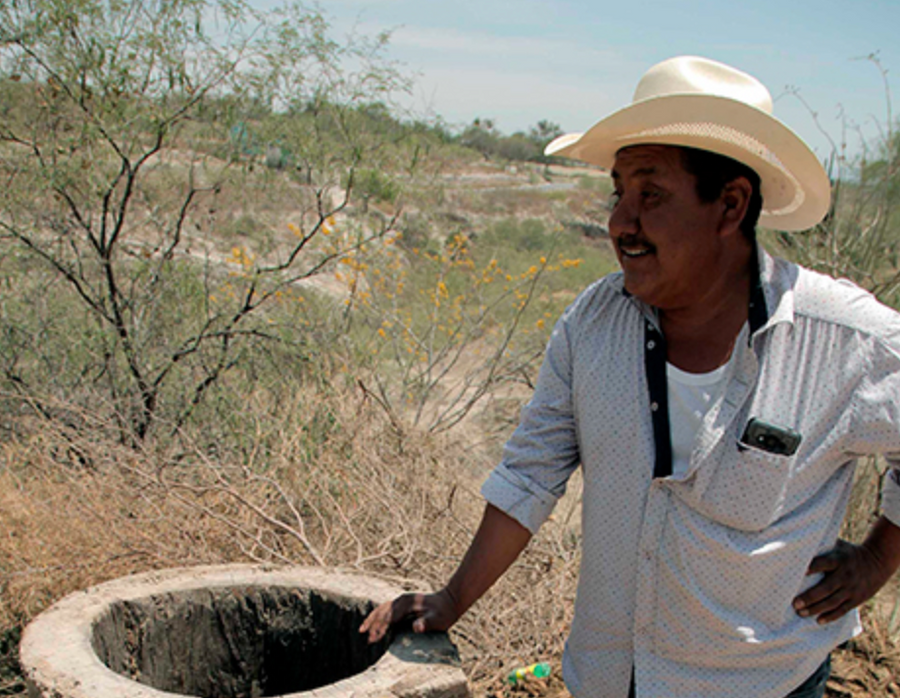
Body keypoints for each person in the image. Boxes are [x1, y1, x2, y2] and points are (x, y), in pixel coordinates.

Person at [359, 56, 900, 698]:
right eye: (619, 192)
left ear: (730, 205)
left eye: (651, 194)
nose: (620, 222)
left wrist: (875, 561)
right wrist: (449, 601)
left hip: (764, 685)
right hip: (611, 680)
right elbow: (531, 474)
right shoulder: (594, 326)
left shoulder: (840, 341)